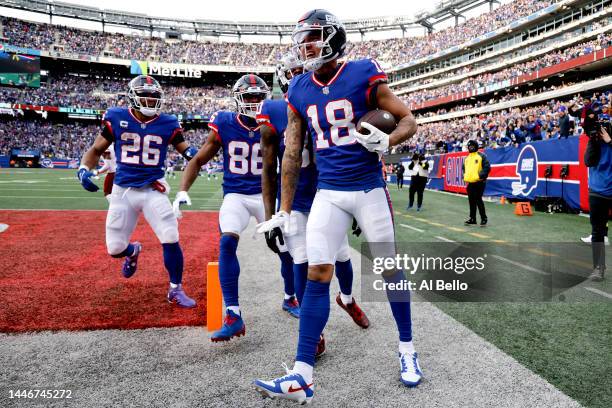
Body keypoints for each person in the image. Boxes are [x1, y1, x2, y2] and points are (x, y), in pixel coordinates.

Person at [254, 10, 422, 404]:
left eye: (310, 38)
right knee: (316, 273)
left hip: (367, 188)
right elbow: (291, 153)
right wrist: (285, 209)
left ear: (331, 38)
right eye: (302, 40)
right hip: (328, 192)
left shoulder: (363, 72)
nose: (304, 46)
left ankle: (408, 350)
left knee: (389, 268)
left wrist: (389, 141)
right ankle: (301, 375)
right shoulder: (298, 88)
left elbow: (408, 119)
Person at [258, 52, 371, 357]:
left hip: (329, 194)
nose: (299, 76)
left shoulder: (330, 98)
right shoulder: (272, 110)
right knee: (302, 261)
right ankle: (315, 334)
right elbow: (269, 168)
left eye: (303, 70)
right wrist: (272, 215)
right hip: (295, 201)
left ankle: (346, 299)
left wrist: (358, 198)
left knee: (343, 257)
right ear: (283, 79)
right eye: (294, 71)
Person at [173, 74, 299, 342]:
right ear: (238, 99)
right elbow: (197, 160)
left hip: (268, 195)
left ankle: (290, 297)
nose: (254, 102)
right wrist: (183, 189)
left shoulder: (277, 120)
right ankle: (233, 314)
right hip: (237, 196)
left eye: (258, 97)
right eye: (249, 97)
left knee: (284, 248)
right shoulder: (225, 122)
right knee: (227, 243)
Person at [77, 75, 198, 308]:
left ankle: (175, 289)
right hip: (123, 190)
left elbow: (187, 150)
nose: (151, 101)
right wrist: (83, 169)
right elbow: (95, 149)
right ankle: (133, 251)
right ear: (133, 97)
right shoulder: (117, 117)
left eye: (154, 98)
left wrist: (202, 154)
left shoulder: (169, 122)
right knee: (115, 248)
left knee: (171, 236)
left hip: (153, 190)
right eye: (146, 97)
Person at [583, 124, 611, 281]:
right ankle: (598, 268)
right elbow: (588, 161)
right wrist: (594, 141)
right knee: (597, 232)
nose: (600, 133)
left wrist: (609, 141)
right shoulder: (593, 142)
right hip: (597, 192)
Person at [462, 139, 490, 226]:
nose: (471, 148)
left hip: (479, 182)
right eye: (469, 146)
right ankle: (472, 218)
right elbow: (464, 169)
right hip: (470, 183)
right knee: (471, 201)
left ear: (476, 146)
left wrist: (480, 176)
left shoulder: (482, 156)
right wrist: (465, 176)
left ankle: (484, 218)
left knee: (478, 200)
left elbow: (487, 167)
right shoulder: (467, 158)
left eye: (472, 146)